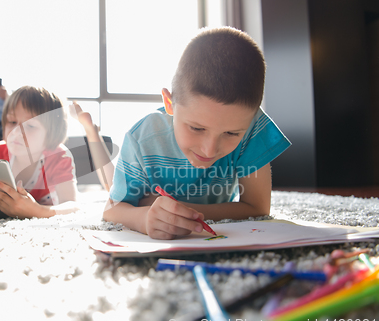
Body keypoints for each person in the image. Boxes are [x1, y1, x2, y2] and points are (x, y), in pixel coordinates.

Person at [102, 27, 291, 240]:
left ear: (252, 118)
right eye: (197, 128)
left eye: (231, 133)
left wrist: (179, 211)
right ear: (169, 103)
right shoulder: (141, 139)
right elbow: (112, 210)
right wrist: (144, 218)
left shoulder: (251, 127)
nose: (209, 149)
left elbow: (258, 208)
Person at [0, 86, 112, 218]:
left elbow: (73, 206)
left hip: (44, 201)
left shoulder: (58, 156)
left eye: (30, 126)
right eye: (12, 122)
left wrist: (37, 211)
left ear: (51, 135)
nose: (16, 132)